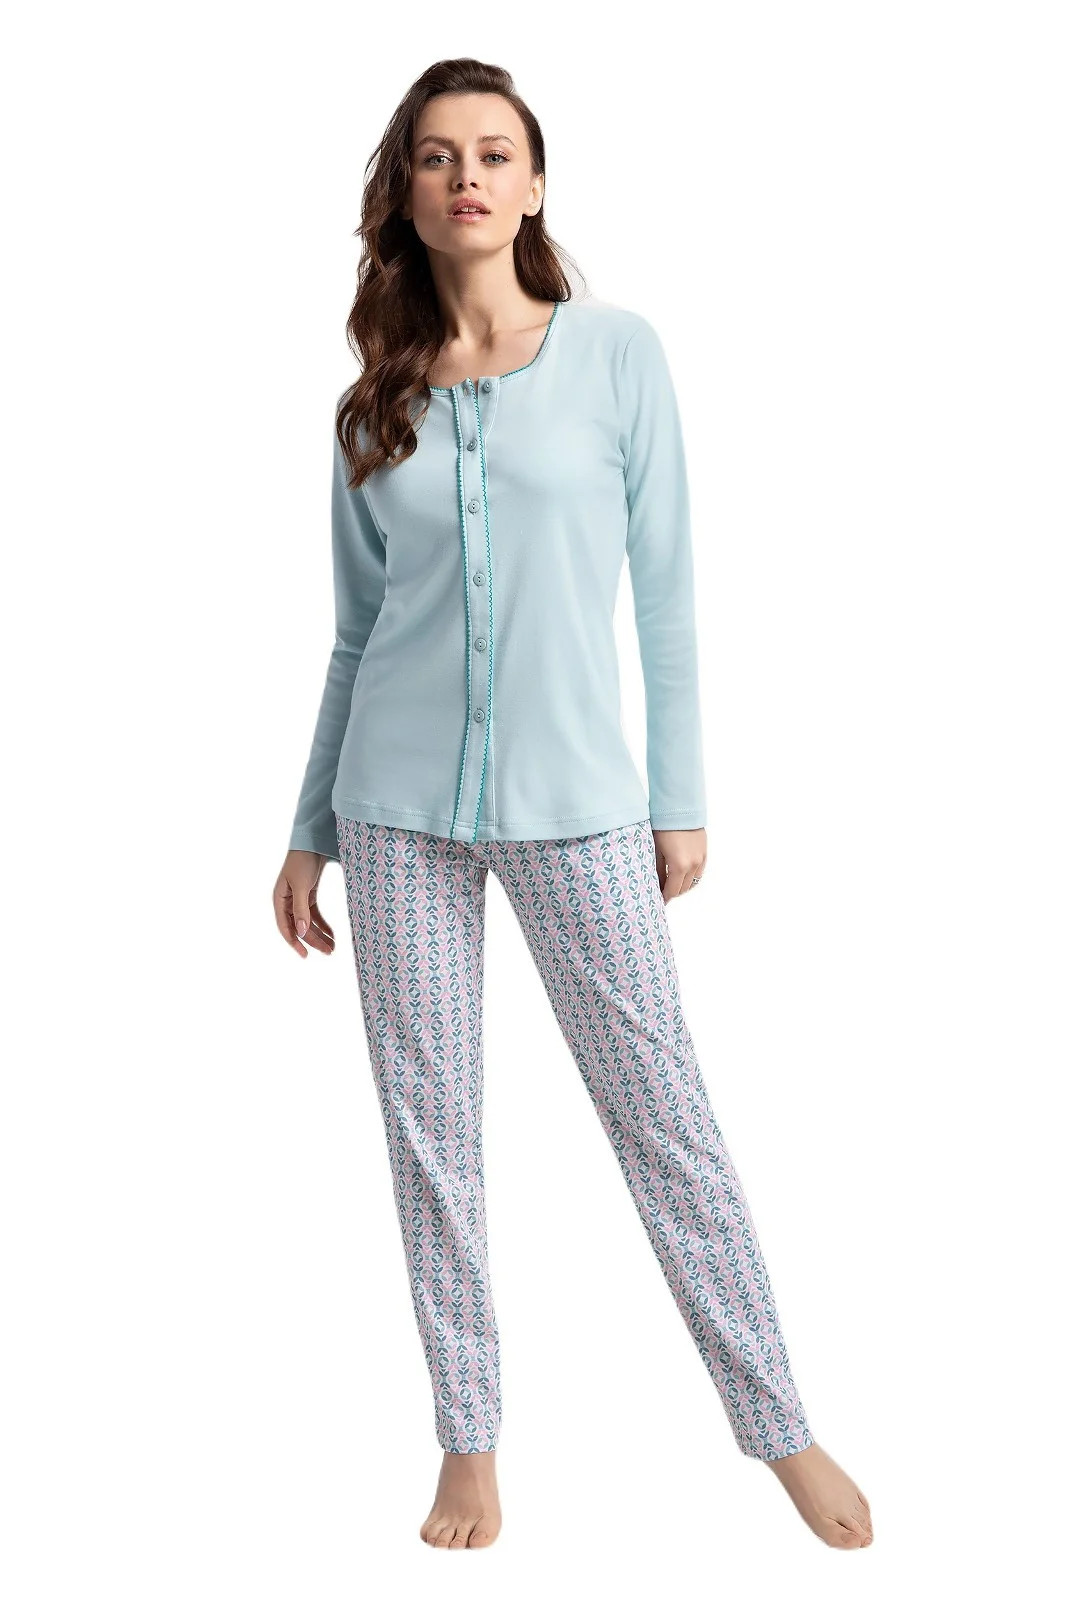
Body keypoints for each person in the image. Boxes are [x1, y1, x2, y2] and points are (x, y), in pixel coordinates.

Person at [273, 56, 873, 1554]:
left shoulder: (616, 355)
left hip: (580, 805)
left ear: (534, 185)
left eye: (494, 153)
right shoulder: (372, 404)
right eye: (436, 156)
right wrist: (307, 827)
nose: (466, 176)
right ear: (406, 196)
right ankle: (467, 1443)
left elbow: (665, 588)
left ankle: (779, 1424)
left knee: (664, 1113)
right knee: (430, 1135)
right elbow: (355, 635)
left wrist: (681, 797)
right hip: (394, 808)